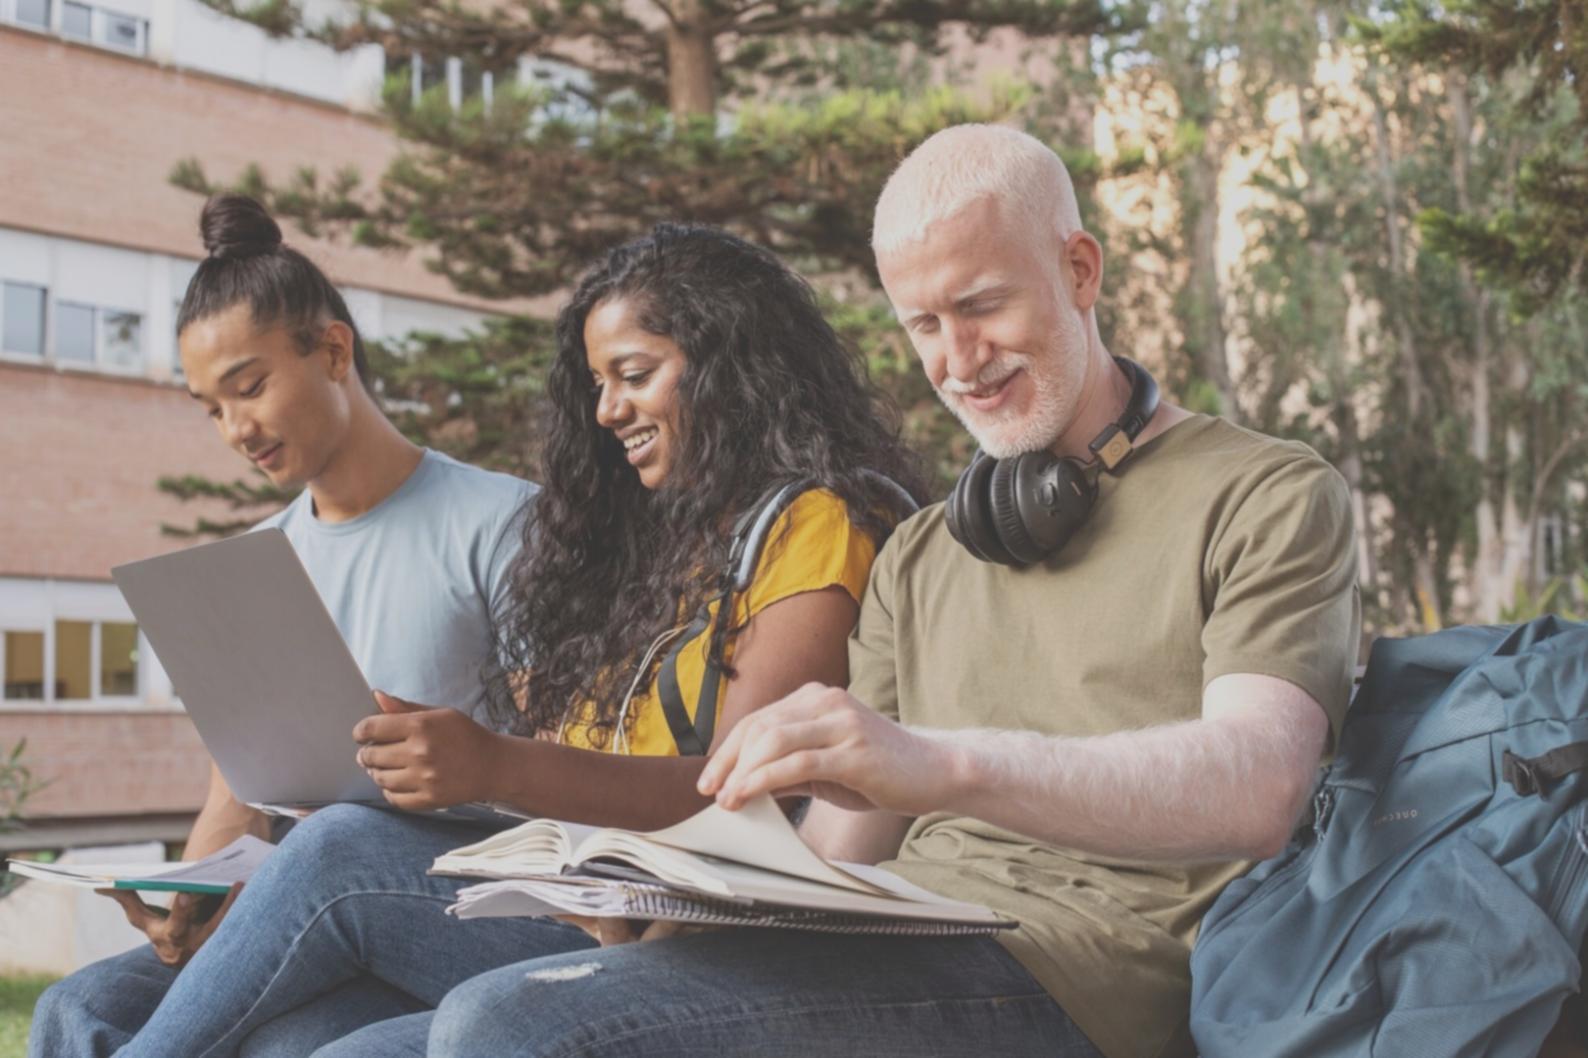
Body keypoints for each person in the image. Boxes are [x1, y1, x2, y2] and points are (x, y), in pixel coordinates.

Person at [425, 124, 1361, 1058]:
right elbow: (842, 844)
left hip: (1084, 973)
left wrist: (946, 764)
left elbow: (1260, 784)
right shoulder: (920, 553)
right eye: (925, 325)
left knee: (501, 1024)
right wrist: (666, 922)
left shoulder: (1264, 491)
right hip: (894, 931)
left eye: (982, 304)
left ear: (1080, 270)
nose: (960, 358)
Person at [103, 222, 926, 1057]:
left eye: (633, 375)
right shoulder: (660, 552)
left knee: (338, 850)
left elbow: (731, 790)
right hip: (576, 903)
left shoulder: (816, 525)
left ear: (731, 365)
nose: (607, 410)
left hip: (684, 938)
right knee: (303, 1045)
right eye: (598, 383)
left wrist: (491, 764)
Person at [26, 194, 536, 1058]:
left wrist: (460, 769)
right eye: (211, 408)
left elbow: (577, 761)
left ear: (333, 351)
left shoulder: (503, 522)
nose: (236, 430)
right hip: (313, 915)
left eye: (250, 387)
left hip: (472, 909)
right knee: (77, 1007)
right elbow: (237, 806)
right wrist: (189, 900)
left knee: (337, 846)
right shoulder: (255, 566)